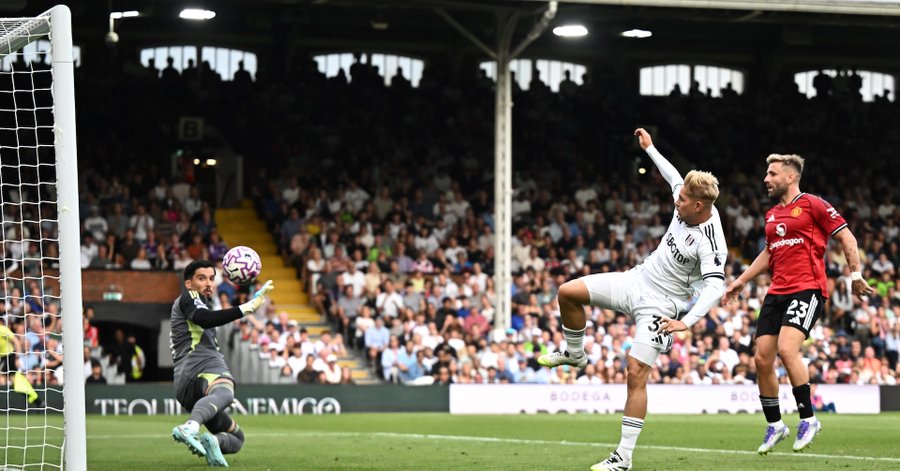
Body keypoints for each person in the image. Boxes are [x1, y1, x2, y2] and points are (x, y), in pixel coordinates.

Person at [538, 128, 728, 471]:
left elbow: (715, 287)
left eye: (683, 200)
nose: (676, 201)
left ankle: (623, 458)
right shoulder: (684, 197)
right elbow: (672, 176)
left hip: (662, 305)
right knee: (568, 292)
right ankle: (574, 354)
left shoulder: (711, 242)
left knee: (636, 371)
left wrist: (686, 321)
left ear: (699, 205)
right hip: (635, 280)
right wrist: (651, 148)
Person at [722, 153, 872, 454]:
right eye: (767, 173)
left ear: (790, 177)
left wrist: (855, 275)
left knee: (786, 349)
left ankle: (808, 418)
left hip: (808, 289)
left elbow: (847, 238)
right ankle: (775, 424)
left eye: (773, 174)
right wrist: (741, 280)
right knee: (761, 359)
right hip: (777, 292)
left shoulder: (814, 204)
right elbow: (770, 252)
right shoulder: (772, 215)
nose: (766, 179)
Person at [170, 260, 274, 467]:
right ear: (189, 283)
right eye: (202, 278)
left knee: (236, 439)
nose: (208, 283)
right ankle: (190, 427)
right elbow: (205, 319)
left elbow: (210, 317)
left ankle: (211, 441)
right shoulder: (189, 296)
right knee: (226, 392)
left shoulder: (201, 303)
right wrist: (246, 308)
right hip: (200, 365)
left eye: (211, 278)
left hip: (187, 384)